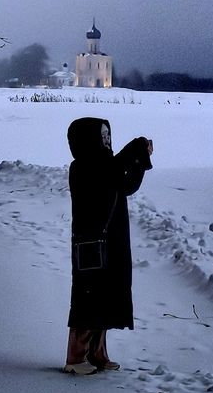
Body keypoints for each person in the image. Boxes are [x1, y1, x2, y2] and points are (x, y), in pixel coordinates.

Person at [64, 117, 153, 375]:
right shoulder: (82, 167)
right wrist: (135, 149)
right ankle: (75, 357)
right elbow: (110, 172)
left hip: (112, 239)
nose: (105, 142)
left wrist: (139, 162)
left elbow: (125, 185)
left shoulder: (107, 166)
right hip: (91, 244)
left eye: (107, 137)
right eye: (100, 138)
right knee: (88, 297)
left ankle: (97, 354)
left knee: (107, 295)